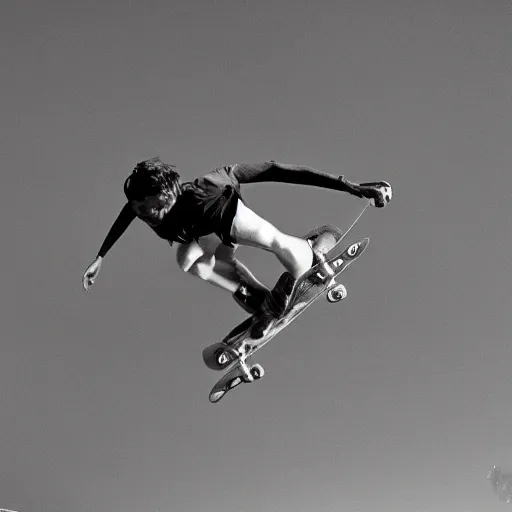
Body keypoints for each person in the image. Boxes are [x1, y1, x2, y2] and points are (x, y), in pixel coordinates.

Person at [82, 157, 392, 337]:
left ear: (164, 193)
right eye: (139, 211)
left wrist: (348, 185)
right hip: (209, 237)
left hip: (230, 217)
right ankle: (256, 297)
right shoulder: (139, 208)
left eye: (148, 209)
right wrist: (101, 256)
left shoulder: (208, 185)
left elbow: (274, 170)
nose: (145, 216)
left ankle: (314, 245)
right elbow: (125, 214)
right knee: (189, 262)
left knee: (293, 259)